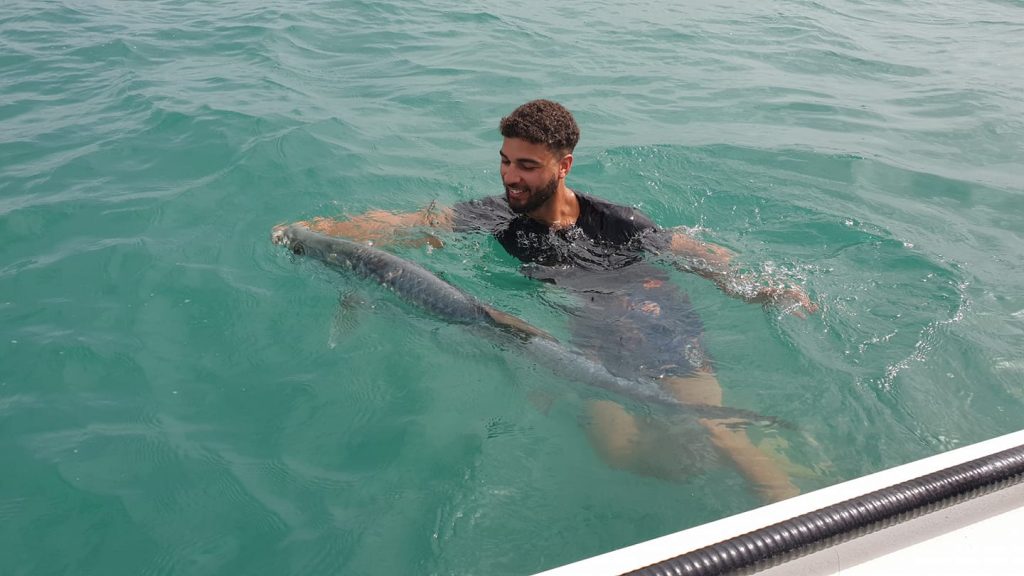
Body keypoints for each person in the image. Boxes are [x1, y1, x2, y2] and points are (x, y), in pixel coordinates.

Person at [294, 100, 817, 502]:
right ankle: (734, 457)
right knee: (619, 451)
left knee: (717, 433)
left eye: (527, 165)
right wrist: (320, 233)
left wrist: (762, 290)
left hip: (656, 317)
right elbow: (410, 223)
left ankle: (790, 510)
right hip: (591, 332)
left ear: (563, 165)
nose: (510, 177)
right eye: (504, 162)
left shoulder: (617, 220)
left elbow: (697, 253)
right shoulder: (496, 218)